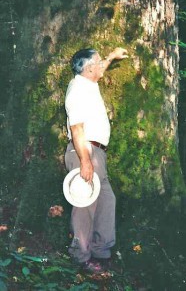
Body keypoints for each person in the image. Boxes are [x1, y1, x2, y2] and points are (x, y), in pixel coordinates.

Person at [64, 47, 128, 273]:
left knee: (106, 201)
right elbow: (76, 127)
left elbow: (99, 69)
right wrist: (86, 161)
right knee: (85, 205)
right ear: (89, 67)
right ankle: (81, 255)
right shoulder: (77, 90)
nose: (101, 66)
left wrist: (111, 57)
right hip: (85, 150)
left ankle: (101, 250)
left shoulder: (88, 84)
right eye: (98, 62)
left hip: (96, 153)